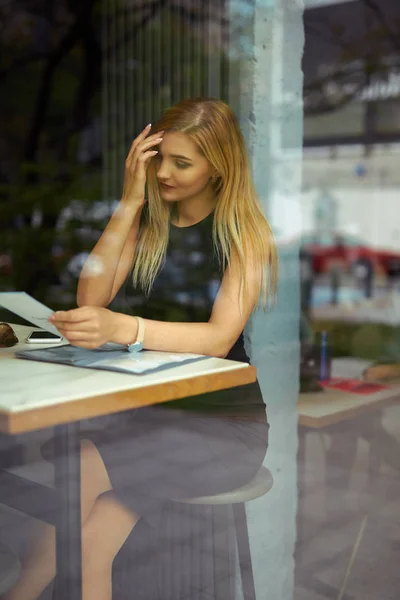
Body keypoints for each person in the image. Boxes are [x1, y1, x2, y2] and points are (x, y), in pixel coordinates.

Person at [4, 98, 278, 600]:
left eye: (182, 162)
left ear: (218, 166)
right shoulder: (150, 222)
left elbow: (219, 338)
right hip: (149, 421)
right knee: (84, 532)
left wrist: (124, 328)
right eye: (159, 159)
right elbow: (91, 297)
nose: (165, 173)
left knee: (80, 484)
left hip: (220, 428)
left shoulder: (244, 235)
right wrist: (130, 202)